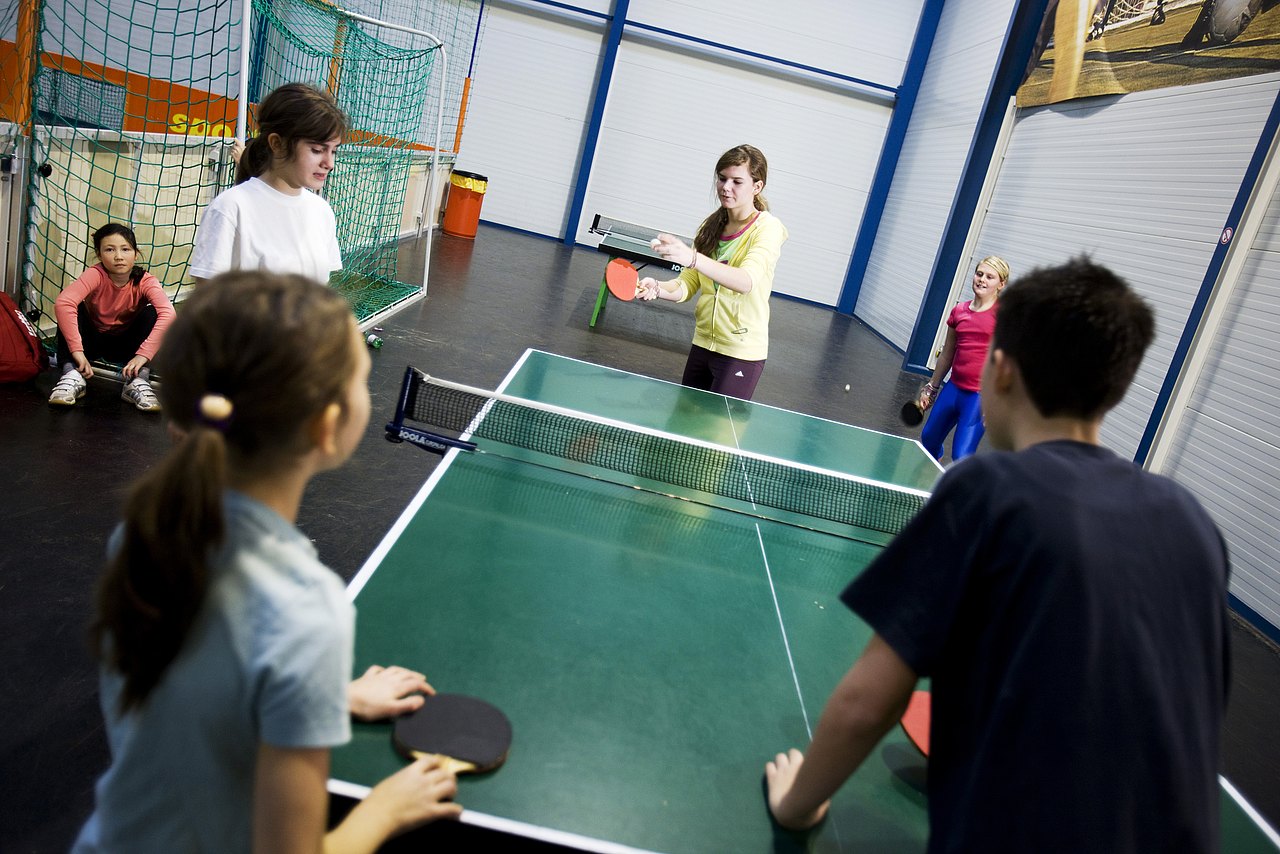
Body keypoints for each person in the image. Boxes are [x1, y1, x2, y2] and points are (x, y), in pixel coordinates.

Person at [765, 257, 1230, 852]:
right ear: (1112, 391)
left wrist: (798, 804)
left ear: (1000, 372)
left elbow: (867, 703)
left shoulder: (984, 493)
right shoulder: (1192, 522)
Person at [74, 271, 461, 853]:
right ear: (328, 427)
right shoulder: (304, 611)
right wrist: (383, 811)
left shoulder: (147, 530)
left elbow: (199, 691)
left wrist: (327, 695)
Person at [636, 144, 787, 400]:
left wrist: (693, 258)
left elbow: (746, 281)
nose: (726, 187)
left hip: (741, 353)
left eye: (737, 181)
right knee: (684, 422)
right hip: (703, 344)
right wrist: (658, 288)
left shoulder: (768, 229)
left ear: (757, 186)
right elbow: (687, 285)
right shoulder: (711, 226)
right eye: (722, 178)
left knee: (716, 434)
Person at [188, 83, 344, 284]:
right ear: (277, 144)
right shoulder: (231, 208)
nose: (329, 163)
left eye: (334, 151)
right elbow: (207, 301)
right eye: (316, 150)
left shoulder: (322, 211)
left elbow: (319, 292)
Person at [50, 223, 175, 411]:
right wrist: (77, 351)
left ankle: (138, 379)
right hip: (91, 343)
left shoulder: (145, 280)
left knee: (154, 313)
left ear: (135, 253)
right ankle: (71, 375)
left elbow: (169, 314)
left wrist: (143, 355)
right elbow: (63, 303)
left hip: (127, 347)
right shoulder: (96, 274)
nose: (118, 256)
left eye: (125, 249)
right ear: (99, 255)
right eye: (110, 249)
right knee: (72, 307)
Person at [917, 255, 1009, 461]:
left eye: (990, 277)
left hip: (979, 397)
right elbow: (948, 353)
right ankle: (932, 472)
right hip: (954, 388)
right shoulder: (959, 311)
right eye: (979, 274)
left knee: (961, 455)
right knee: (929, 439)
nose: (982, 280)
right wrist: (932, 387)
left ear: (1001, 284)